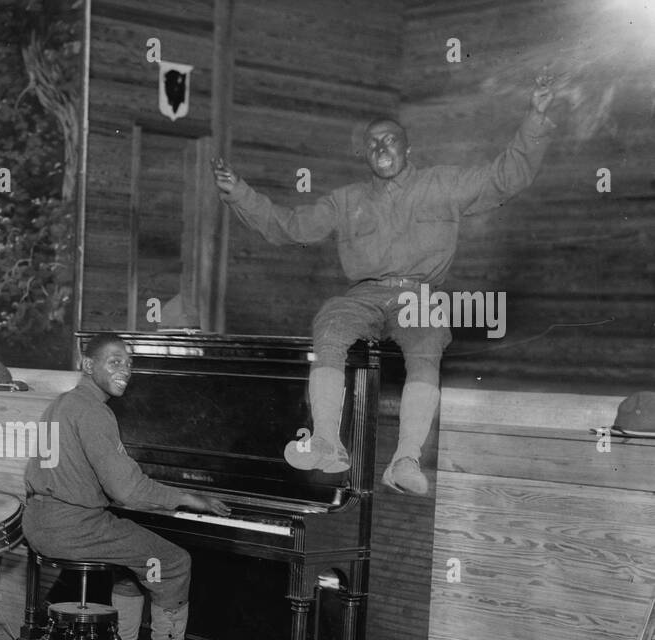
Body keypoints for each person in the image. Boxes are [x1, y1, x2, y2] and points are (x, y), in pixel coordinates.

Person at [213, 75, 557, 494]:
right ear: (365, 155)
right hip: (365, 295)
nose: (382, 149)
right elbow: (290, 225)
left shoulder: (443, 184)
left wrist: (536, 116)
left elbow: (507, 177)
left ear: (407, 147)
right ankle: (327, 443)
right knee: (330, 320)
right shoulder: (346, 200)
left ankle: (405, 460)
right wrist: (239, 193)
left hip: (419, 296)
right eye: (373, 144)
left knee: (427, 337)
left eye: (390, 140)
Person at [22, 334, 231, 640]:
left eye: (129, 363)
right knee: (174, 562)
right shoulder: (94, 412)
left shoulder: (60, 404)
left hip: (38, 521)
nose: (126, 371)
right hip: (74, 526)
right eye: (114, 362)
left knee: (132, 565)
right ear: (88, 365)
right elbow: (129, 491)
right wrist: (187, 498)